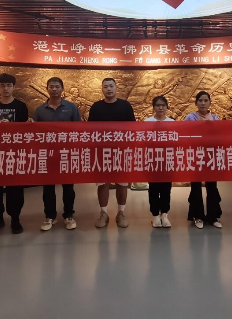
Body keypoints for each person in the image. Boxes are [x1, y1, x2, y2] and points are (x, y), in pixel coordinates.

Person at [33, 77, 82, 231]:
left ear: (62, 89)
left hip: (67, 153)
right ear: (47, 89)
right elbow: (35, 133)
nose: (54, 89)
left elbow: (79, 130)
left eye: (57, 86)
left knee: (68, 187)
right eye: (51, 86)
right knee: (48, 188)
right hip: (47, 154)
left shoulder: (71, 108)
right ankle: (50, 216)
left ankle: (69, 215)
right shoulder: (40, 110)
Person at [0, 73, 28, 236]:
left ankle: (15, 219)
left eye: (9, 85)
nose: (5, 88)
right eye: (2, 85)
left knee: (15, 188)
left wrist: (12, 126)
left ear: (14, 87)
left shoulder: (21, 106)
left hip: (14, 153)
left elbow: (25, 131)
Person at [88, 78, 136, 228]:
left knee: (122, 183)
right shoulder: (96, 107)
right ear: (102, 89)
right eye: (105, 87)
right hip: (102, 151)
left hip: (122, 151)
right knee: (103, 183)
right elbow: (90, 130)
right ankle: (103, 213)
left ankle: (121, 213)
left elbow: (133, 128)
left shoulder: (125, 106)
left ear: (116, 88)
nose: (108, 89)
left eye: (111, 86)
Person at [185, 91, 222, 229]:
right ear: (196, 103)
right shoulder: (190, 117)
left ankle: (213, 216)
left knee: (212, 187)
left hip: (211, 156)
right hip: (195, 155)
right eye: (200, 100)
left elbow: (220, 136)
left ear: (210, 102)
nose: (203, 103)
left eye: (206, 100)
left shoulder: (215, 118)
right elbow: (186, 135)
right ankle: (197, 216)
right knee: (196, 187)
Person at [145, 96, 174, 228]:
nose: (160, 108)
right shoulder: (147, 122)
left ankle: (164, 214)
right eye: (158, 105)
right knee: (153, 188)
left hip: (167, 160)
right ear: (153, 107)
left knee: (166, 188)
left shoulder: (172, 122)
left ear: (167, 107)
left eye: (163, 105)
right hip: (152, 160)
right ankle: (155, 215)